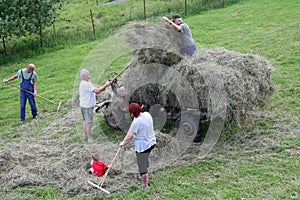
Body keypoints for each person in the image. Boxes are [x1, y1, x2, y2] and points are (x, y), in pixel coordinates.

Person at [119, 103, 156, 189]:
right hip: (151, 142)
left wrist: (122, 143)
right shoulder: (147, 114)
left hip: (143, 147)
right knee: (145, 158)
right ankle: (146, 169)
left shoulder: (136, 122)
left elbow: (129, 136)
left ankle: (145, 185)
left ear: (132, 113)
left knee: (142, 166)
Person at [79, 68, 111, 143]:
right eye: (88, 75)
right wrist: (105, 85)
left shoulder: (87, 82)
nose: (90, 76)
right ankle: (89, 138)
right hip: (87, 106)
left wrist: (104, 87)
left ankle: (84, 134)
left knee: (86, 121)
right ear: (84, 76)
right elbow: (97, 91)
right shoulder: (85, 84)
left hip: (84, 105)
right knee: (89, 122)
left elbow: (97, 90)